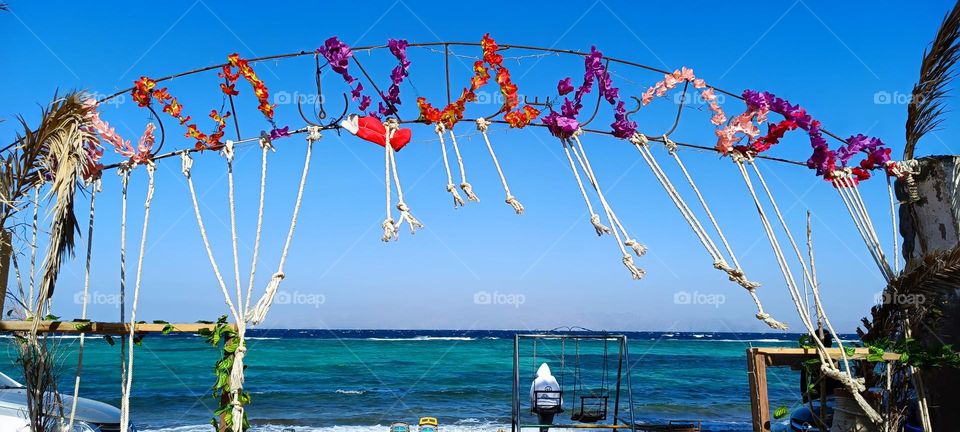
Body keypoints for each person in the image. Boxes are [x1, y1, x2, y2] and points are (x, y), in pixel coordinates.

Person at [530, 363, 562, 432]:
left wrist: (533, 402)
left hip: (539, 406)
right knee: (548, 422)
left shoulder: (536, 380)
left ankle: (542, 430)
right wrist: (560, 404)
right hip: (552, 407)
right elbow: (558, 392)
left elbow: (531, 394)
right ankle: (545, 430)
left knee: (541, 421)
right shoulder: (553, 379)